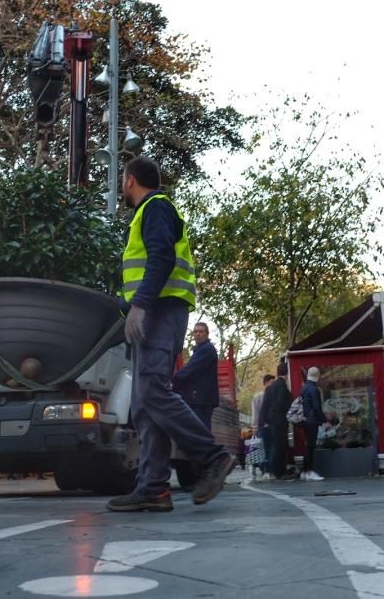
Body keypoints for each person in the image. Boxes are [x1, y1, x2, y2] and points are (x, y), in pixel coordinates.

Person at [107, 155, 234, 513]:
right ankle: (153, 488)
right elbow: (149, 265)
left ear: (130, 179)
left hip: (160, 312)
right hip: (155, 311)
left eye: (121, 179)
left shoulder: (156, 207)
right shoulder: (149, 212)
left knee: (151, 390)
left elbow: (161, 257)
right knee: (144, 405)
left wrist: (141, 304)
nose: (121, 185)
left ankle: (212, 457)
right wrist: (126, 302)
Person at [171, 322, 219, 431]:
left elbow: (191, 369)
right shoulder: (200, 349)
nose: (198, 334)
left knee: (200, 432)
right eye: (195, 331)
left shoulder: (207, 349)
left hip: (201, 400)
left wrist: (173, 380)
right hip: (199, 399)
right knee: (198, 431)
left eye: (201, 331)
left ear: (207, 334)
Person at [261, 362, 291, 479]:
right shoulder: (283, 386)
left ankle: (273, 471)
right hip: (280, 419)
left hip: (271, 421)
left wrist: (266, 420)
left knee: (273, 446)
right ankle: (280, 472)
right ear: (286, 373)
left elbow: (265, 405)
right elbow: (282, 402)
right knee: (281, 446)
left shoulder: (269, 388)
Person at [301, 366, 328, 481]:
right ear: (317, 376)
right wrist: (324, 420)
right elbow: (317, 407)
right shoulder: (314, 389)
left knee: (308, 446)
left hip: (306, 420)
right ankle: (309, 471)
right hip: (313, 421)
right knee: (311, 446)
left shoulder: (304, 388)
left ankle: (305, 471)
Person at [251, 374, 275, 478]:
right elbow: (255, 412)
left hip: (271, 426)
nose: (273, 385)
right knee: (262, 448)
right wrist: (254, 426)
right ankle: (263, 468)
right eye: (271, 382)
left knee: (270, 448)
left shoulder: (274, 395)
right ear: (265, 383)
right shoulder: (258, 397)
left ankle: (268, 470)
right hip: (262, 427)